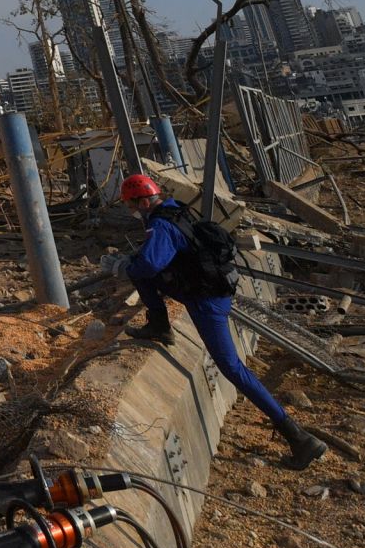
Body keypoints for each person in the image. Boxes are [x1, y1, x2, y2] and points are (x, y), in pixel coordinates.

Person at [117, 173, 326, 469]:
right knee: (138, 270)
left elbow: (150, 264)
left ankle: (298, 436)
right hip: (212, 289)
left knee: (232, 368)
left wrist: (125, 265)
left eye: (131, 206)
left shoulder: (160, 224)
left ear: (142, 201)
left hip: (205, 300)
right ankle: (160, 326)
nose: (132, 212)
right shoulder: (174, 208)